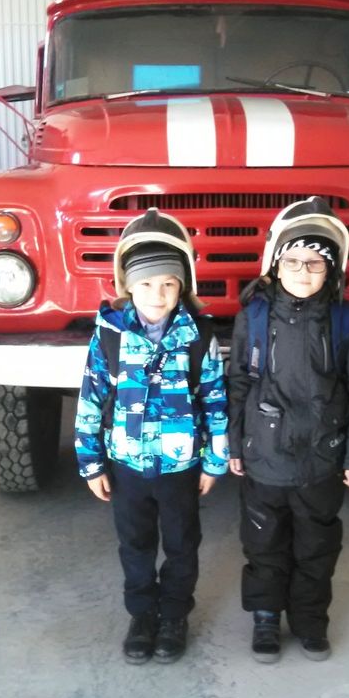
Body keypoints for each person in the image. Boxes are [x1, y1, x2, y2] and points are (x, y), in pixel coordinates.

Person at [227, 196, 349, 663]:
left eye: (315, 263)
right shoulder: (254, 317)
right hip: (265, 458)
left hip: (321, 461)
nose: (302, 271)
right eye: (292, 261)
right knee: (263, 543)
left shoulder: (347, 321)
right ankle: (266, 618)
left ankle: (311, 621)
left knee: (317, 547)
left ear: (331, 270)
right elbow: (238, 382)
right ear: (275, 266)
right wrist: (234, 443)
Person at [74, 208, 228, 664]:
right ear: (127, 285)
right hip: (127, 467)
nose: (157, 295)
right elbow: (90, 399)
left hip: (181, 467)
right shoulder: (109, 336)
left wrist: (215, 460)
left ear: (183, 286)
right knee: (136, 545)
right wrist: (91, 463)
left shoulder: (198, 336)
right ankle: (142, 616)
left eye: (168, 284)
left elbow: (216, 399)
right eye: (145, 284)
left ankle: (174, 615)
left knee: (182, 545)